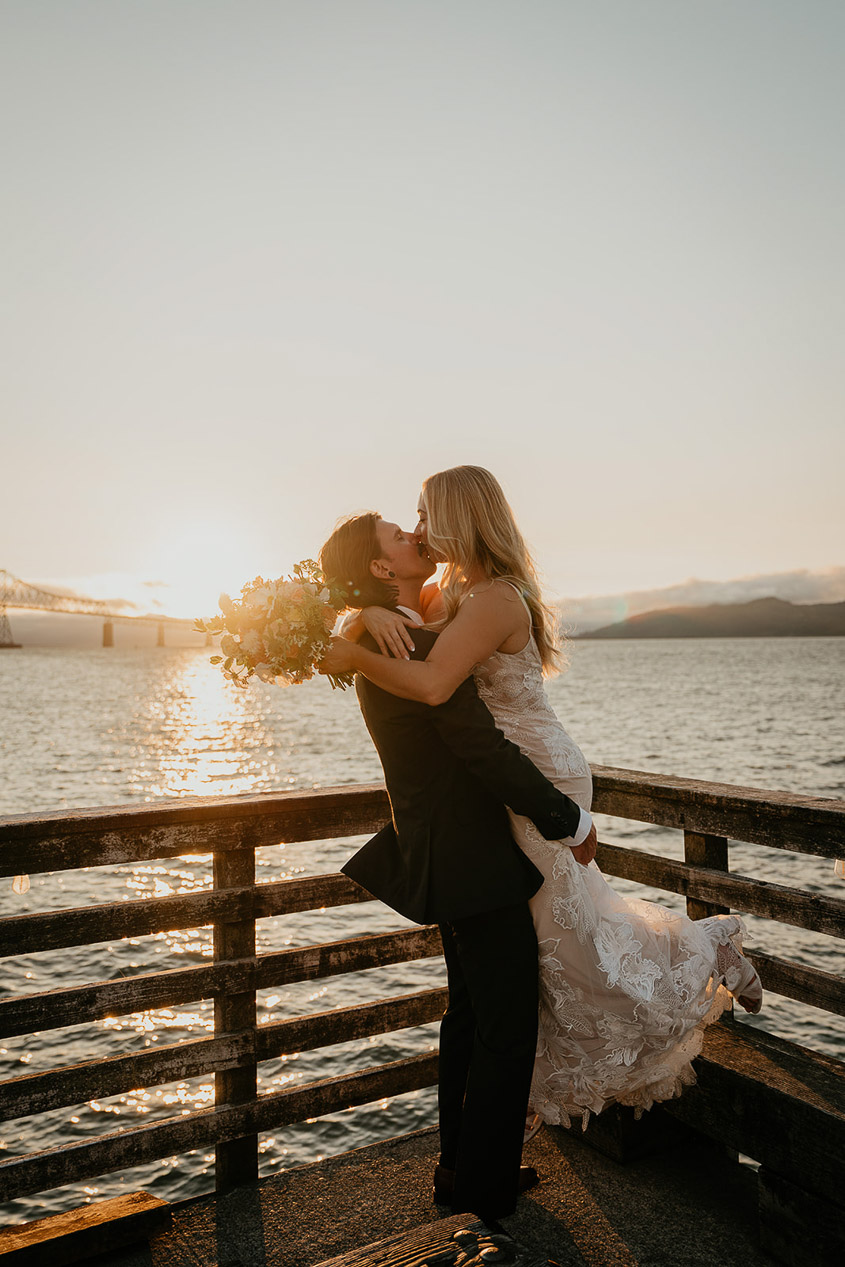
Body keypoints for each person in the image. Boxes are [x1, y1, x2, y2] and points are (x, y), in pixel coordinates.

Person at [320, 466, 763, 1135]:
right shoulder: (446, 588)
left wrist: (345, 651)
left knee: (569, 939)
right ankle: (521, 1095)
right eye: (408, 518)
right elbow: (402, 616)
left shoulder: (494, 597)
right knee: (538, 944)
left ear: (459, 517)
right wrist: (362, 612)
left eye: (423, 513)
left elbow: (434, 683)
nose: (415, 528)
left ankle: (710, 945)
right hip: (505, 779)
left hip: (542, 778)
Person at [318, 512, 597, 1227]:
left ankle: (464, 1168)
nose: (414, 536)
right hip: (469, 853)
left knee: (469, 1016)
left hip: (443, 847)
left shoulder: (387, 627)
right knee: (505, 1025)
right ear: (381, 567)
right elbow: (480, 748)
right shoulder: (404, 641)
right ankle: (484, 1190)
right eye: (396, 535)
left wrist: (362, 608)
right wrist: (566, 818)